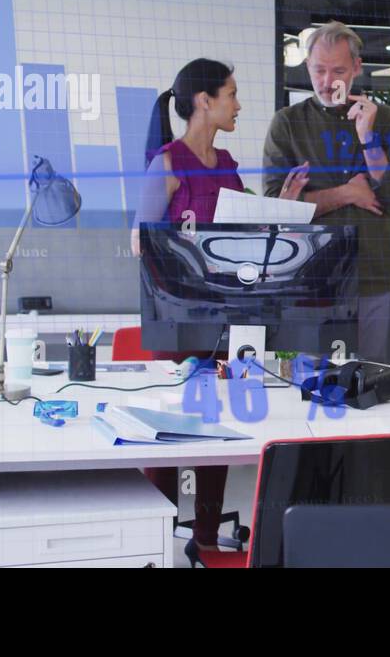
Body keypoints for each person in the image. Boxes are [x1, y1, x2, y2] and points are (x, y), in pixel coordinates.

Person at [134, 58, 307, 567]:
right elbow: (139, 241)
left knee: (215, 431)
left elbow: (244, 228)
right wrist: (191, 260)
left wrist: (284, 204)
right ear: (203, 101)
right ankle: (154, 543)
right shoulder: (167, 161)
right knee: (170, 439)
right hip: (176, 318)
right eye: (231, 94)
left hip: (222, 317)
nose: (238, 104)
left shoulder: (228, 163)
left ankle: (205, 540)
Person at [263, 21, 390, 361]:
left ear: (357, 68)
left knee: (376, 385)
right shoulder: (287, 123)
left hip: (378, 278)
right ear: (307, 66)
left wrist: (368, 140)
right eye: (319, 70)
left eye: (338, 70)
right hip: (313, 280)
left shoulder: (387, 120)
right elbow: (276, 208)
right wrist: (347, 193)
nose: (327, 81)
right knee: (313, 391)